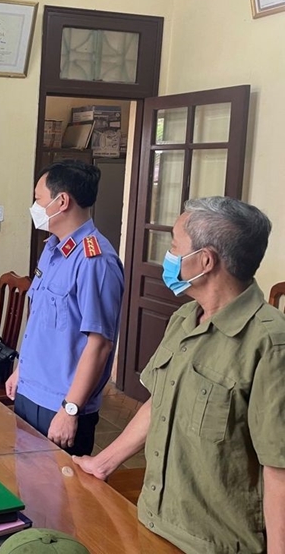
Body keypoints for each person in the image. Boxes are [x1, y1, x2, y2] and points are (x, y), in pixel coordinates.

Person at [74, 197, 285, 554]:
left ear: (206, 260)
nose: (168, 256)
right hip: (155, 520)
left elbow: (278, 468)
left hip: (215, 544)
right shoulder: (185, 318)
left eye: (174, 246)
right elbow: (161, 401)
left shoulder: (270, 343)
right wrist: (102, 463)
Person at [6, 159, 124, 457]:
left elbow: (100, 344)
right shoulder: (52, 248)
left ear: (62, 201)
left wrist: (70, 409)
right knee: (25, 479)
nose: (35, 206)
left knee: (56, 485)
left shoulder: (95, 261)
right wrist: (21, 370)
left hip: (61, 403)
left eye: (38, 199)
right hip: (30, 390)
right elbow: (40, 321)